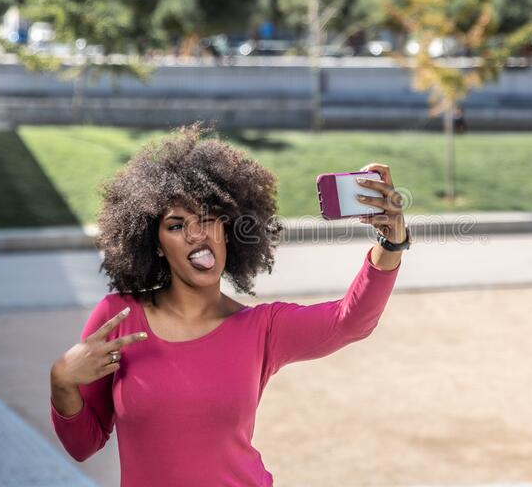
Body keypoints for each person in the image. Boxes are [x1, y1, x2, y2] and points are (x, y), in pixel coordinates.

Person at [48, 122, 410, 486]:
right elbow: (84, 445)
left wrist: (391, 243)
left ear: (226, 229)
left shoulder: (261, 328)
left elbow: (351, 321)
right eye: (176, 226)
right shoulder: (118, 317)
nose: (196, 233)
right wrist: (61, 380)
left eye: (207, 218)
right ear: (155, 244)